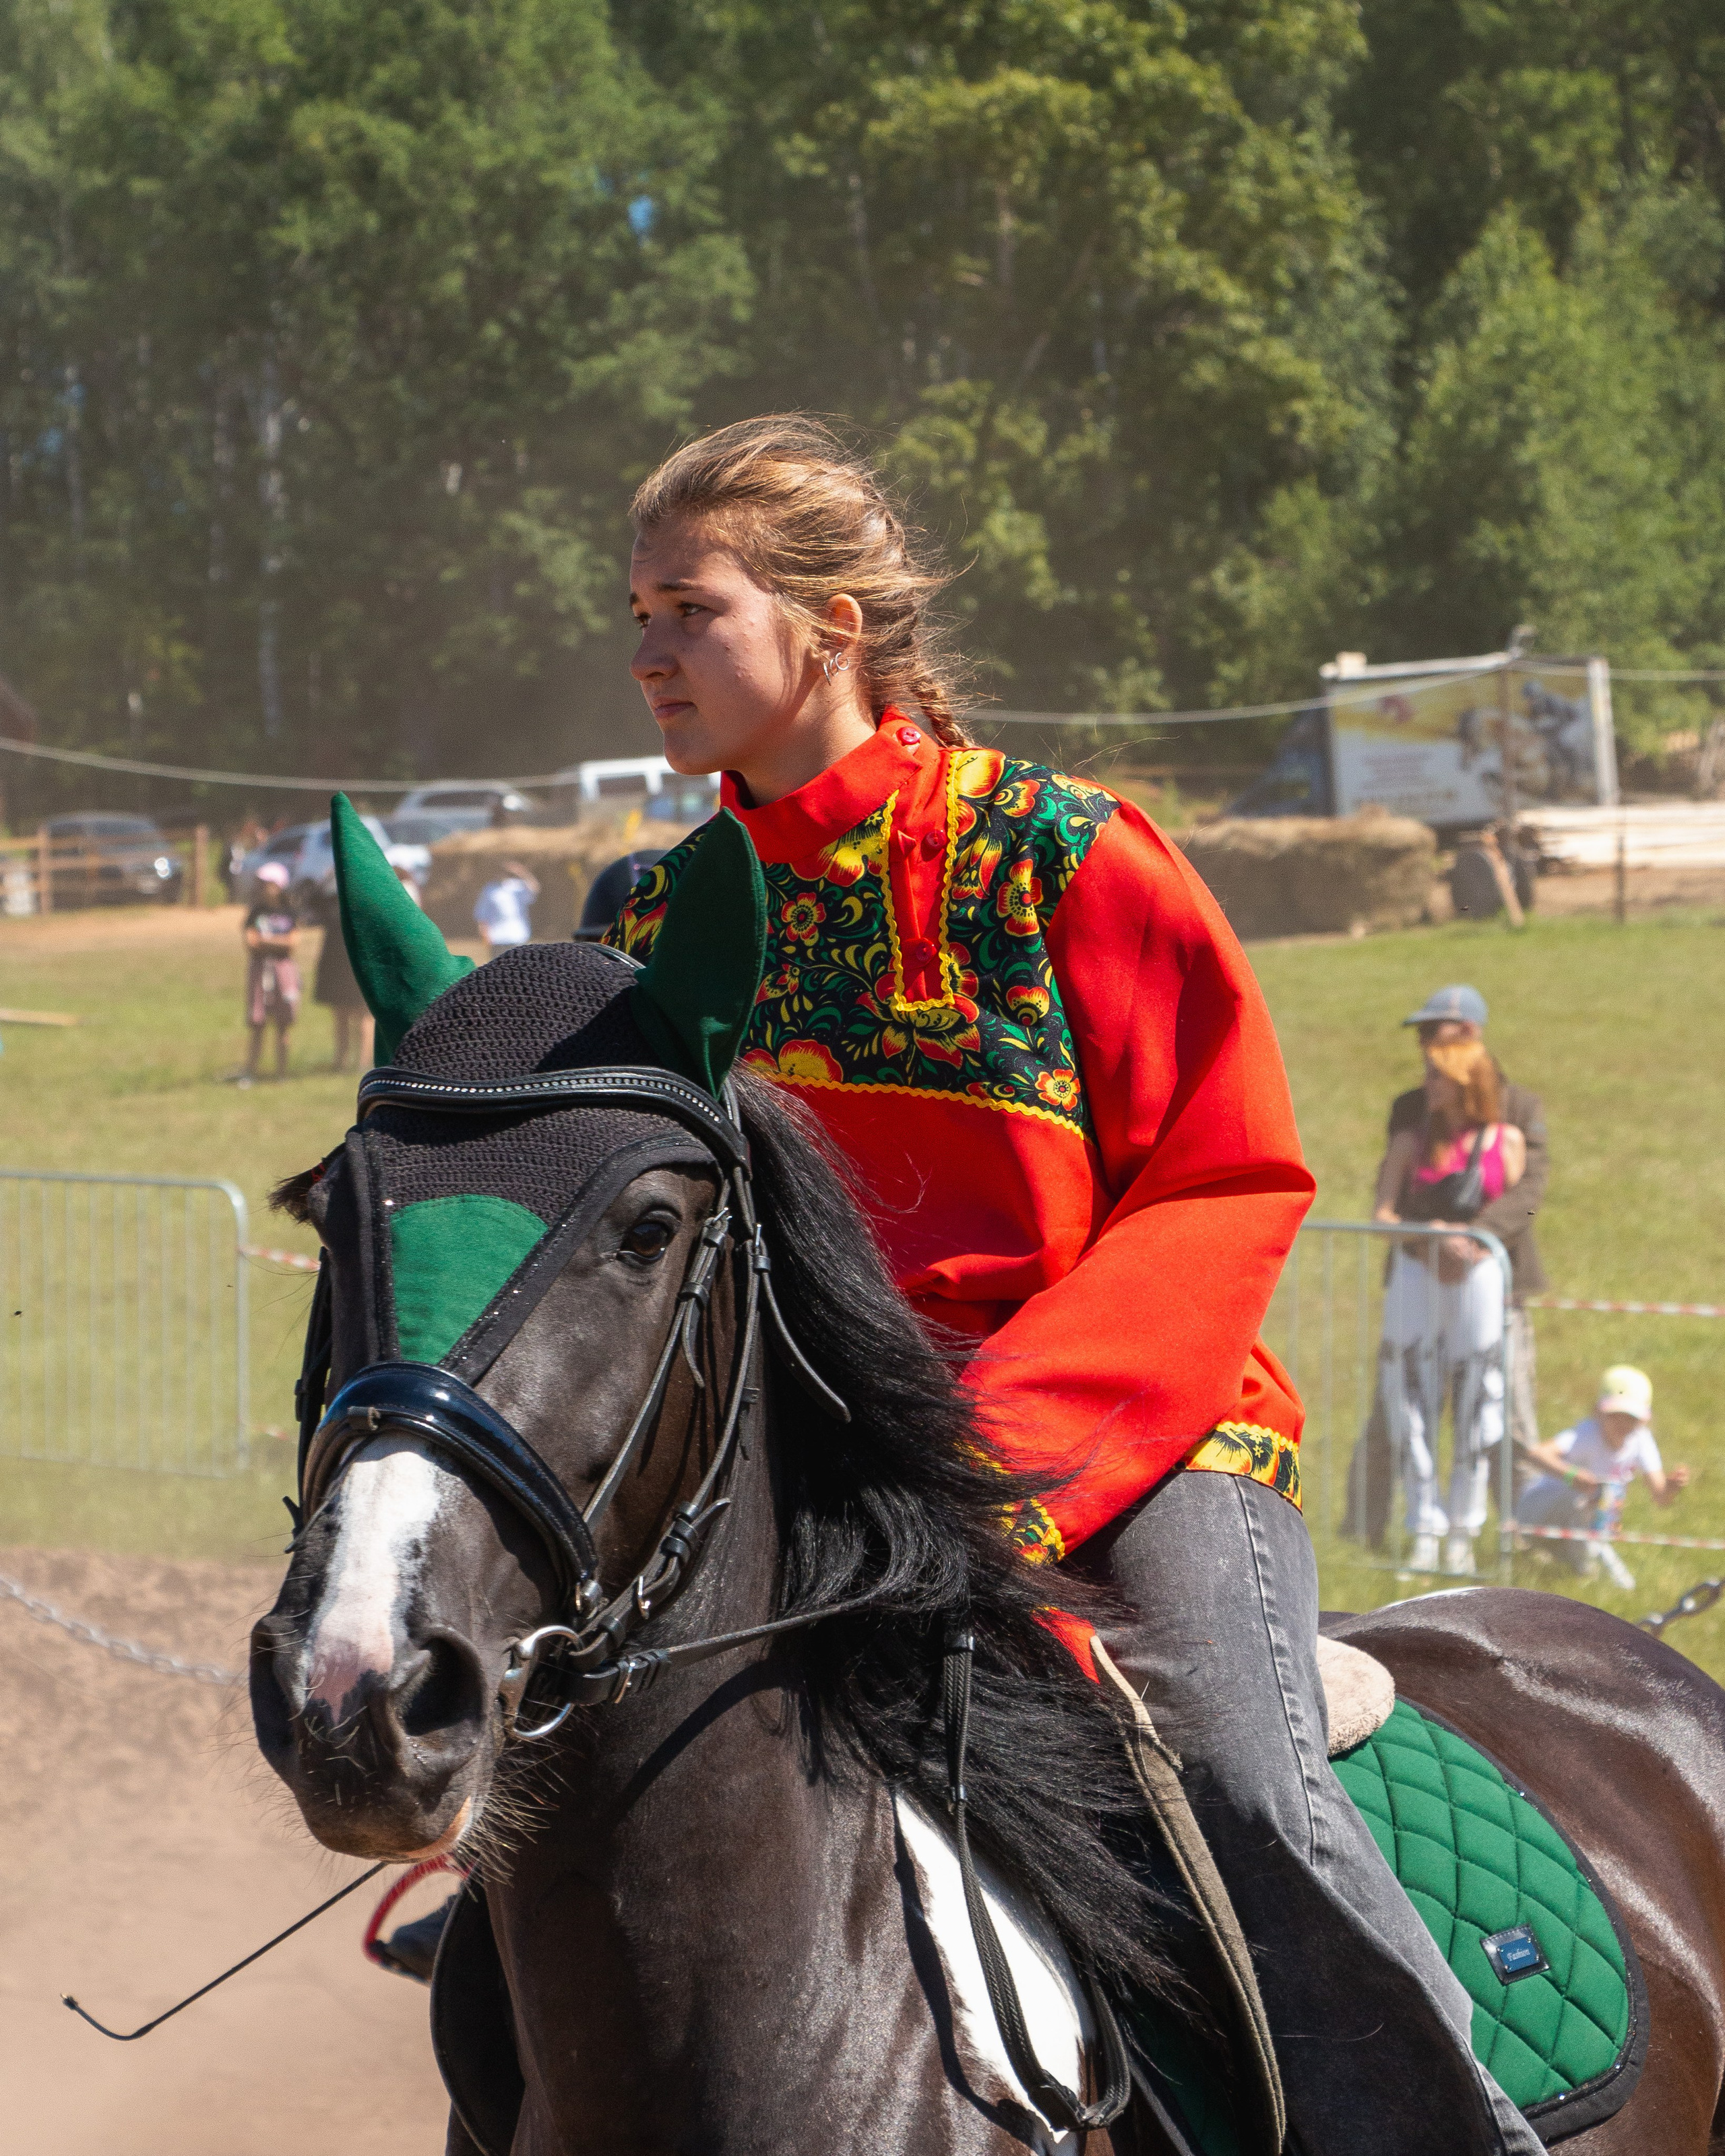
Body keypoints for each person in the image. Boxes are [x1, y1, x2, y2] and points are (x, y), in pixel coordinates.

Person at [604, 415, 1542, 2155]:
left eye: (690, 609)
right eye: (639, 610)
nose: (646, 652)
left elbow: (1228, 1176)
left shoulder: (1065, 858)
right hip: (814, 1482)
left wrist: (986, 1461)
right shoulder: (653, 919)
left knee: (1244, 1785)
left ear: (828, 628)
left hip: (1141, 1444)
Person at [1350, 986, 1550, 1549]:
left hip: (1495, 1280)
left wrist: (1478, 1240)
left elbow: (1530, 1189)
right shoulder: (1411, 1109)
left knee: (1505, 1409)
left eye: (1432, 1032)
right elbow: (1393, 1197)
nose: (1422, 1046)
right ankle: (1369, 1531)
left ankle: (1527, 1536)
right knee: (1398, 1405)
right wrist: (1429, 1248)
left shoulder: (1520, 1107)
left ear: (1468, 1034)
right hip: (1418, 1278)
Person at [1372, 1032, 1526, 1575]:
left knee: (1477, 1396)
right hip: (1418, 1273)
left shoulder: (1507, 1141)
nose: (1427, 1084)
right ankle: (1424, 1527)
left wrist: (1478, 1243)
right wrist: (1429, 1235)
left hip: (1479, 1278)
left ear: (1465, 1081)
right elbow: (1382, 1216)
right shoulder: (1413, 1141)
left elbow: (1519, 1216)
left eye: (1437, 1075)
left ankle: (1463, 1528)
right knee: (1410, 1394)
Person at [1520, 1366, 1689, 1590]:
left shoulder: (1641, 1441)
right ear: (1600, 1413)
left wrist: (1672, 1487)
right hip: (1536, 1514)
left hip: (1589, 1521)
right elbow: (1537, 1454)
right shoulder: (1587, 1434)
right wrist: (1572, 1475)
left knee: (1598, 1509)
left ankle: (1585, 1570)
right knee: (1584, 1500)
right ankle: (1585, 1570)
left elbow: (1661, 1498)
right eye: (1615, 1416)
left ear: (1642, 1420)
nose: (1622, 1424)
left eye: (1630, 1418)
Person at [241, 859, 299, 1083]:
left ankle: (282, 1073)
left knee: (283, 1023)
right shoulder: (255, 912)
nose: (263, 888)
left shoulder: (289, 911)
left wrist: (267, 940)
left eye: (267, 883)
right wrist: (278, 942)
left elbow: (293, 944)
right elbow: (251, 942)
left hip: (284, 972)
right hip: (259, 970)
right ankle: (251, 1072)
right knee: (258, 1022)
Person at [307, 874, 373, 1071]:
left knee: (364, 1016)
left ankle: (363, 1064)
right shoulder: (333, 903)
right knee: (341, 1016)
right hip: (336, 967)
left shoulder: (368, 903)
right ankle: (341, 1062)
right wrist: (328, 875)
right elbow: (311, 899)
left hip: (360, 966)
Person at [473, 860, 538, 953]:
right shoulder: (489, 890)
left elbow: (535, 889)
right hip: (497, 938)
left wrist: (522, 872)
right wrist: (485, 934)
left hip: (518, 936)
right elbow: (482, 915)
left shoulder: (518, 886)